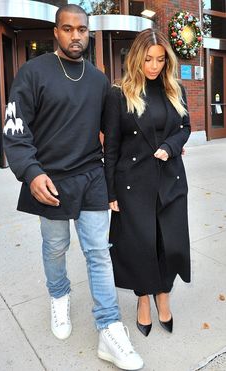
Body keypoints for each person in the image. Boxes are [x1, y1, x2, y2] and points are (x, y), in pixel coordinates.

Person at [3, 4, 144, 370]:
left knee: (98, 252)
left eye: (81, 29)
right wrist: (31, 173)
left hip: (91, 176)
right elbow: (15, 129)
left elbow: (114, 135)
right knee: (56, 247)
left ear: (89, 33)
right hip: (49, 179)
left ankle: (110, 327)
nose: (75, 35)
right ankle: (59, 295)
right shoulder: (33, 73)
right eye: (68, 29)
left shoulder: (99, 80)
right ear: (56, 32)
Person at [103, 28, 191, 337]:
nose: (153, 66)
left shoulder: (175, 89)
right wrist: (110, 190)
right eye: (148, 59)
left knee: (169, 241)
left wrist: (169, 147)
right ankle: (143, 297)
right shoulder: (119, 93)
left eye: (160, 60)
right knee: (140, 244)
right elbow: (111, 145)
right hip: (133, 183)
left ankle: (163, 293)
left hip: (170, 179)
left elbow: (185, 127)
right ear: (137, 58)